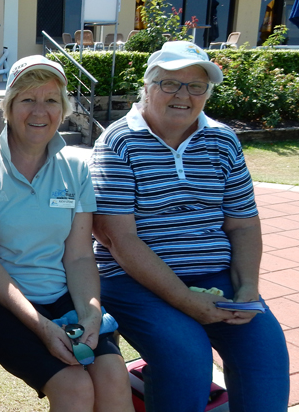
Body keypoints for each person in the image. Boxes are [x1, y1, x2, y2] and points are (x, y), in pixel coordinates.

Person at [89, 41, 290, 412]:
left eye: (196, 86)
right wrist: (185, 301)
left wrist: (248, 287)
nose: (184, 95)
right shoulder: (119, 142)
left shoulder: (223, 140)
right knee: (186, 359)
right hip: (133, 281)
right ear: (147, 87)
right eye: (170, 84)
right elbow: (119, 239)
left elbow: (243, 224)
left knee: (267, 361)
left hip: (217, 275)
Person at [0, 56, 133, 412]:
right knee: (75, 386)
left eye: (51, 100)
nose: (40, 111)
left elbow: (80, 256)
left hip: (60, 295)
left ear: (63, 108)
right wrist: (42, 328)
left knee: (113, 376)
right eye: (28, 99)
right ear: (8, 107)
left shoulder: (77, 168)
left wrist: (91, 314)